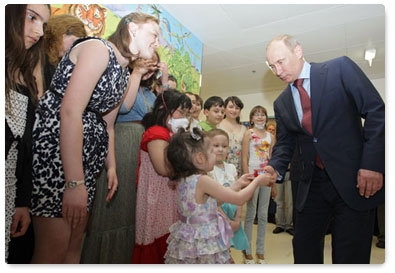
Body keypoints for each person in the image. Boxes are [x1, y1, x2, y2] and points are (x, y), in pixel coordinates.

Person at [30, 12, 160, 264]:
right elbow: (70, 112)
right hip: (58, 154)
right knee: (52, 251)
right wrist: (74, 182)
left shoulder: (123, 72)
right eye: (154, 34)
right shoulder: (98, 49)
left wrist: (111, 166)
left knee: (74, 245)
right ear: (132, 29)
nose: (158, 43)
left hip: (88, 162)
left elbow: (108, 125)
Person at [264, 34, 385, 264]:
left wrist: (372, 165)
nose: (277, 71)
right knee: (304, 250)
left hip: (354, 181)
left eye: (281, 62)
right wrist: (274, 168)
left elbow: (376, 111)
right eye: (272, 67)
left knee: (350, 255)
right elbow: (286, 142)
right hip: (310, 186)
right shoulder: (281, 102)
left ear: (298, 51)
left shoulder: (339, 69)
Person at [164, 128, 275, 264]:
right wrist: (258, 181)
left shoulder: (184, 179)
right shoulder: (203, 180)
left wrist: (238, 184)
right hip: (204, 240)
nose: (216, 154)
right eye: (211, 151)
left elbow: (211, 203)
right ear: (200, 158)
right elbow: (239, 198)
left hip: (188, 238)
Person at [5, 4, 51, 263]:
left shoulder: (22, 77)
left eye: (43, 24)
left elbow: (23, 146)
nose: (38, 32)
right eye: (31, 17)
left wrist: (21, 201)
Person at [132, 90, 192, 264]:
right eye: (181, 111)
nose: (184, 117)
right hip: (157, 198)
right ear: (163, 109)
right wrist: (190, 166)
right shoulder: (156, 133)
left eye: (187, 113)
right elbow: (164, 169)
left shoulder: (172, 135)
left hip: (170, 197)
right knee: (159, 241)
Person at [207, 129, 250, 263]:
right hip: (217, 218)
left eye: (224, 146)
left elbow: (238, 195)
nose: (220, 149)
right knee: (220, 251)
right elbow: (212, 201)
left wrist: (237, 219)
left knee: (228, 250)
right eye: (216, 146)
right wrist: (227, 221)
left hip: (233, 216)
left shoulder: (231, 168)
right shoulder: (208, 171)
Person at [241, 105, 275, 264]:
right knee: (250, 213)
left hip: (266, 176)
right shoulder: (249, 133)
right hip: (252, 176)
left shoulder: (271, 136)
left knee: (263, 215)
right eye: (257, 114)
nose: (260, 117)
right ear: (252, 118)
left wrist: (273, 183)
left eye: (262, 114)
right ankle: (247, 251)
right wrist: (247, 177)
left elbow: (272, 159)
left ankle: (260, 252)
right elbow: (245, 157)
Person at [42, 14, 87, 92]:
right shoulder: (37, 53)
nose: (72, 48)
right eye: (73, 41)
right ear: (61, 32)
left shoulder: (60, 66)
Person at [268, 121, 294, 235]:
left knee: (289, 201)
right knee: (278, 200)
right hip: (278, 173)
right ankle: (279, 224)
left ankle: (289, 225)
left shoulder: (293, 140)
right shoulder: (275, 141)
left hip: (291, 172)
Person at [218, 96, 247, 176]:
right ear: (224, 108)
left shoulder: (244, 129)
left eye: (237, 108)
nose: (234, 110)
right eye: (231, 107)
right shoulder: (218, 125)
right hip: (221, 166)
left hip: (238, 168)